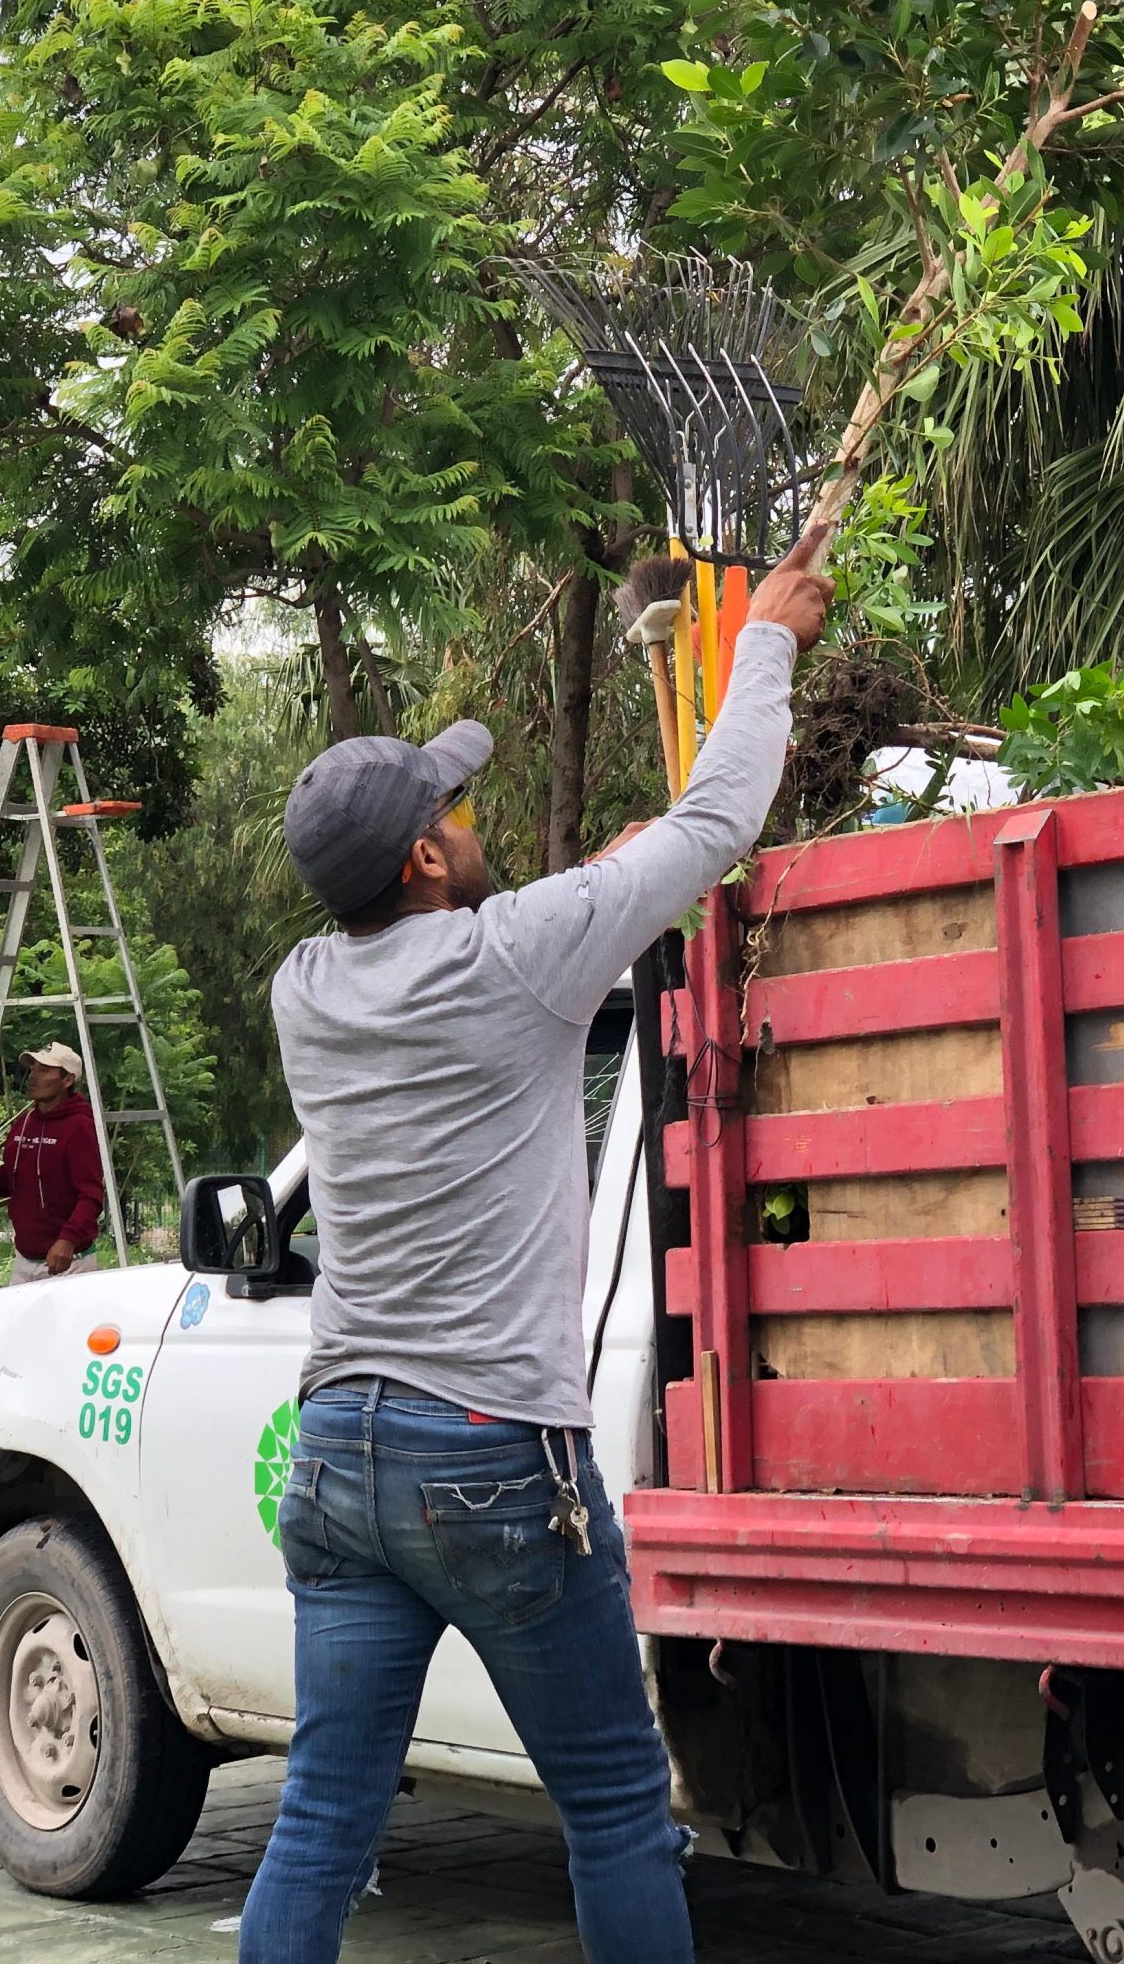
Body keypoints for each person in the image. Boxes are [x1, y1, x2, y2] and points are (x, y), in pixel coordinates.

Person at [238, 526, 835, 1964]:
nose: (467, 811)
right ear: (430, 856)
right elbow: (717, 826)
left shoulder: (306, 986)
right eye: (452, 805)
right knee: (621, 1805)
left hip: (340, 1452)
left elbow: (516, 924)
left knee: (324, 1807)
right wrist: (772, 639)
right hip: (492, 1457)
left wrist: (599, 877)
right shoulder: (515, 958)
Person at [0, 1041, 106, 1284]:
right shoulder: (25, 1121)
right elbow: (11, 1179)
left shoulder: (80, 1126)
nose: (32, 1076)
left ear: (67, 1080)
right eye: (32, 1069)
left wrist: (68, 1240)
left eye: (44, 1070)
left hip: (69, 1262)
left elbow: (91, 1194)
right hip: (24, 1260)